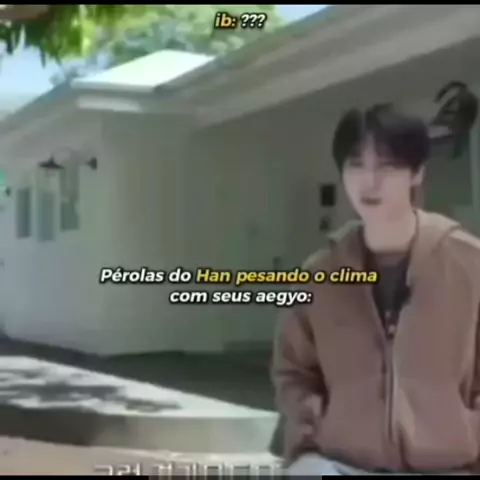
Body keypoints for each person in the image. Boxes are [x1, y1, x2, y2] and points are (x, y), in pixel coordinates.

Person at [271, 104, 480, 475]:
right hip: (343, 464)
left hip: (452, 466)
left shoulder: (469, 263)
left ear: (417, 173)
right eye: (356, 165)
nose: (369, 181)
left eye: (387, 166)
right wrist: (309, 437)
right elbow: (294, 371)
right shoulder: (319, 275)